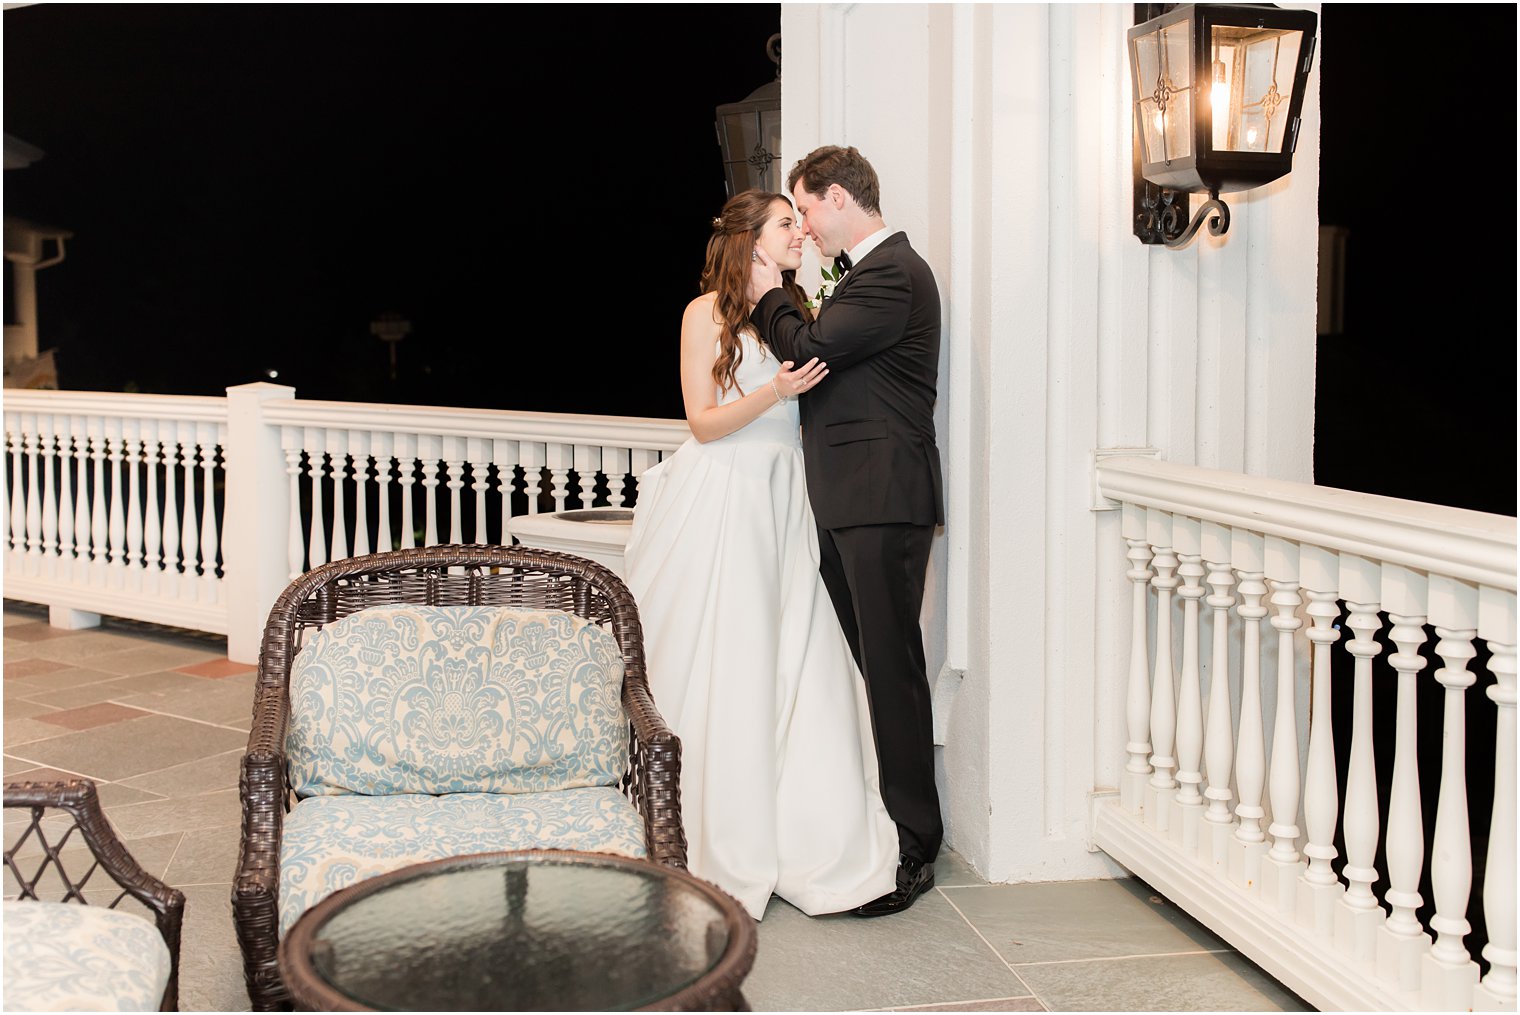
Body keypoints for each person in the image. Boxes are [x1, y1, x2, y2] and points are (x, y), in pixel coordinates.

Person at [623, 188, 899, 921]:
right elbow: (704, 422)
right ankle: (720, 834)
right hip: (726, 495)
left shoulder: (797, 313)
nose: (801, 234)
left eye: (801, 224)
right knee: (731, 656)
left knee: (796, 657)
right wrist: (773, 389)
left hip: (786, 498)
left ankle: (808, 840)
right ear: (750, 239)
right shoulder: (702, 313)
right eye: (787, 225)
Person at [746, 146, 944, 917]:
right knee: (872, 668)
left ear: (836, 198)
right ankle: (885, 826)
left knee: (891, 670)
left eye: (805, 212)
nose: (804, 229)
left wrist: (770, 295)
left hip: (882, 500)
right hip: (853, 501)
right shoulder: (865, 277)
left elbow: (813, 351)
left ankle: (915, 850)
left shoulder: (892, 270)